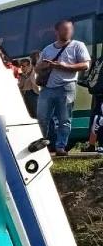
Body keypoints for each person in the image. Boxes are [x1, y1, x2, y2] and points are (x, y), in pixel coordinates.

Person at [35, 20, 92, 155]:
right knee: (42, 118)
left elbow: (85, 65)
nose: (68, 32)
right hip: (47, 89)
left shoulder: (78, 45)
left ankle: (61, 147)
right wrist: (47, 65)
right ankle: (41, 146)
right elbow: (37, 68)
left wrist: (64, 66)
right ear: (57, 31)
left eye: (70, 29)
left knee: (64, 119)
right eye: (64, 29)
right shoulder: (47, 49)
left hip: (67, 87)